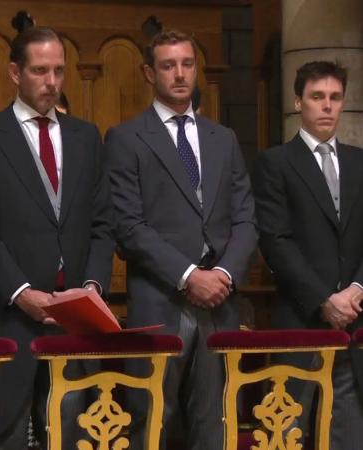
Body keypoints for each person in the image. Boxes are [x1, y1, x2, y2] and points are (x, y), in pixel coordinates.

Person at [0, 26, 114, 449]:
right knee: (9, 431)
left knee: (73, 430)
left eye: (59, 71)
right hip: (13, 313)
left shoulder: (86, 136)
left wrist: (93, 288)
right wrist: (21, 291)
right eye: (41, 71)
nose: (52, 82)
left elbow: (102, 223)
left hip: (78, 314)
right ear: (15, 72)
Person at [105, 30, 257, 450]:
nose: (179, 74)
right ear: (149, 72)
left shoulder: (222, 138)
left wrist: (223, 273)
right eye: (169, 65)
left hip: (221, 302)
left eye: (187, 64)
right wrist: (190, 276)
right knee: (153, 423)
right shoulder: (126, 138)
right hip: (161, 300)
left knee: (217, 423)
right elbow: (129, 226)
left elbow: (246, 218)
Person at [253, 61, 363, 450]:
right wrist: (323, 300)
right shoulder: (276, 163)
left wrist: (356, 289)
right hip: (300, 316)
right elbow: (276, 241)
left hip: (356, 317)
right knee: (290, 428)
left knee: (350, 429)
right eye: (318, 97)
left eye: (335, 98)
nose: (327, 106)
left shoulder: (360, 161)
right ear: (299, 101)